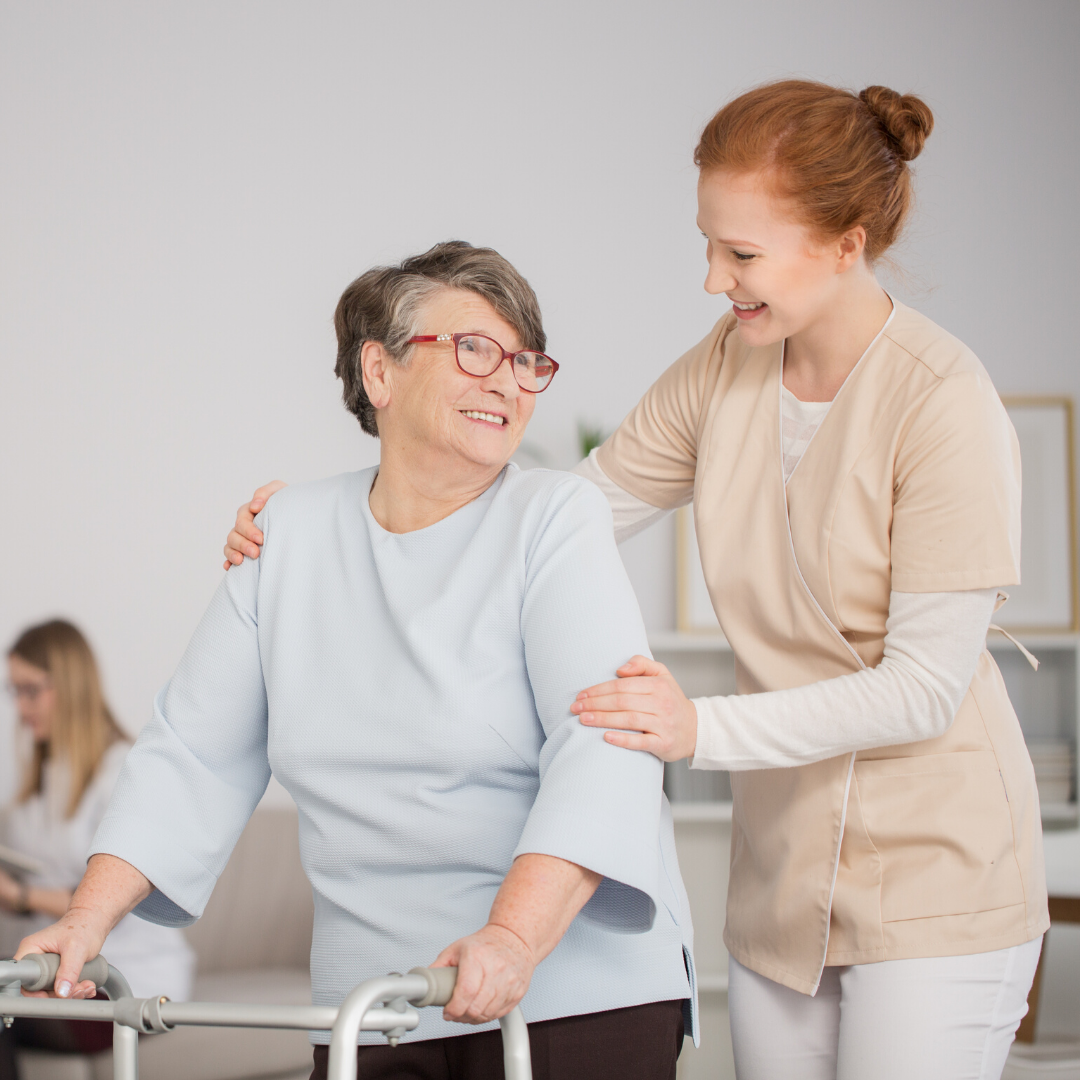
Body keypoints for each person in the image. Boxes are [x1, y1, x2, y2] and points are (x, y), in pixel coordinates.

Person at [224, 83, 1049, 1080]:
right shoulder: (727, 367)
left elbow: (923, 689)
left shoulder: (944, 403)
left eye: (741, 254)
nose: (713, 279)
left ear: (846, 242)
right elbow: (563, 515)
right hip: (785, 882)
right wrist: (331, 535)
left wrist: (697, 728)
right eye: (708, 244)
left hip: (938, 875)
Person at [18, 243, 695, 1080]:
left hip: (570, 991)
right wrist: (86, 921)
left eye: (526, 362)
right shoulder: (288, 535)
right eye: (475, 350)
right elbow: (189, 751)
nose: (507, 381)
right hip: (374, 1006)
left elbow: (604, 743)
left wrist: (513, 938)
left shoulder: (555, 518)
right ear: (380, 372)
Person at [0, 620, 193, 1079]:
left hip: (126, 979)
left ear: (68, 686)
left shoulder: (123, 775)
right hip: (61, 971)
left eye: (31, 691)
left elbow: (116, 897)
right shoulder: (34, 791)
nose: (21, 708)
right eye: (15, 692)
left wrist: (21, 897)